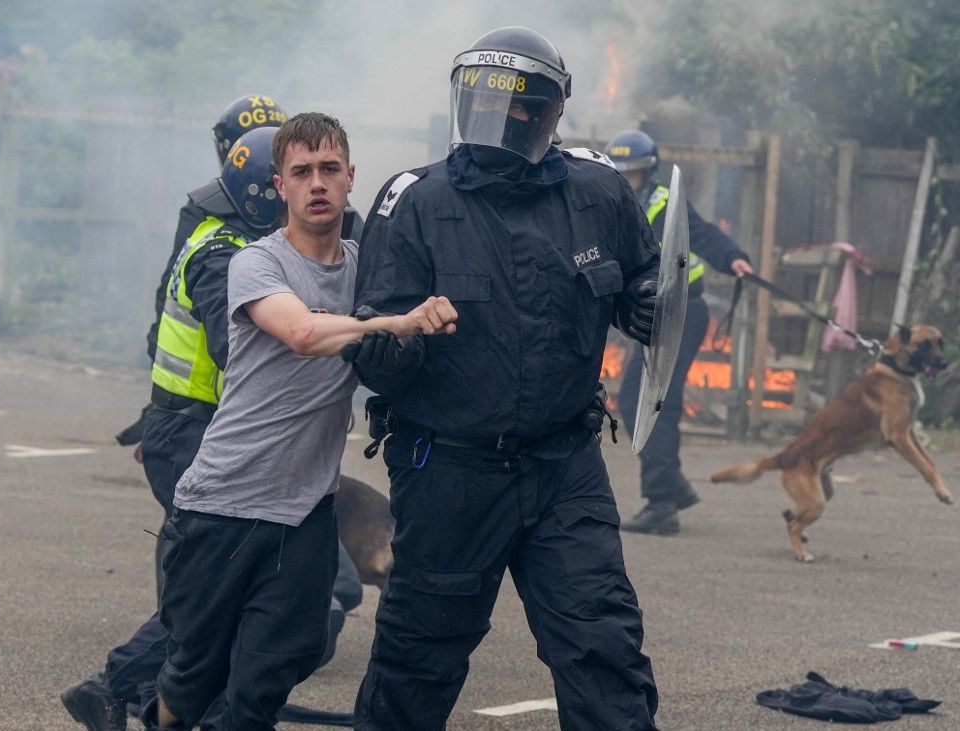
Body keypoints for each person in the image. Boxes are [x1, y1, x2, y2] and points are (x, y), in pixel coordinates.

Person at [347, 26, 660, 730]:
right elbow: (371, 346)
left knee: (604, 646)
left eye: (517, 104)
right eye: (484, 100)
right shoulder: (415, 201)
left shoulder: (598, 193)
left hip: (564, 464)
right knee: (418, 660)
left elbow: (650, 281)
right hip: (450, 472)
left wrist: (645, 304)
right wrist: (398, 337)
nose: (499, 117)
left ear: (548, 111)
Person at [141, 112, 457, 730]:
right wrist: (397, 322)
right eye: (301, 171)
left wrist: (437, 315)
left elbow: (417, 320)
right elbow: (305, 333)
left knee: (266, 677)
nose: (317, 182)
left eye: (329, 170)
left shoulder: (369, 268)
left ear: (350, 180)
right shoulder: (255, 263)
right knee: (192, 678)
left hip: (305, 514)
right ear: (280, 187)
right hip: (221, 505)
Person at [607, 129, 753, 535]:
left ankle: (662, 505)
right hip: (656, 315)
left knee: (658, 404)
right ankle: (671, 485)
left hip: (684, 311)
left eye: (632, 175)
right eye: (620, 175)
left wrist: (733, 259)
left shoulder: (663, 201)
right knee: (634, 399)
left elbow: (701, 232)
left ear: (647, 172)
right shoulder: (611, 206)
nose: (626, 181)